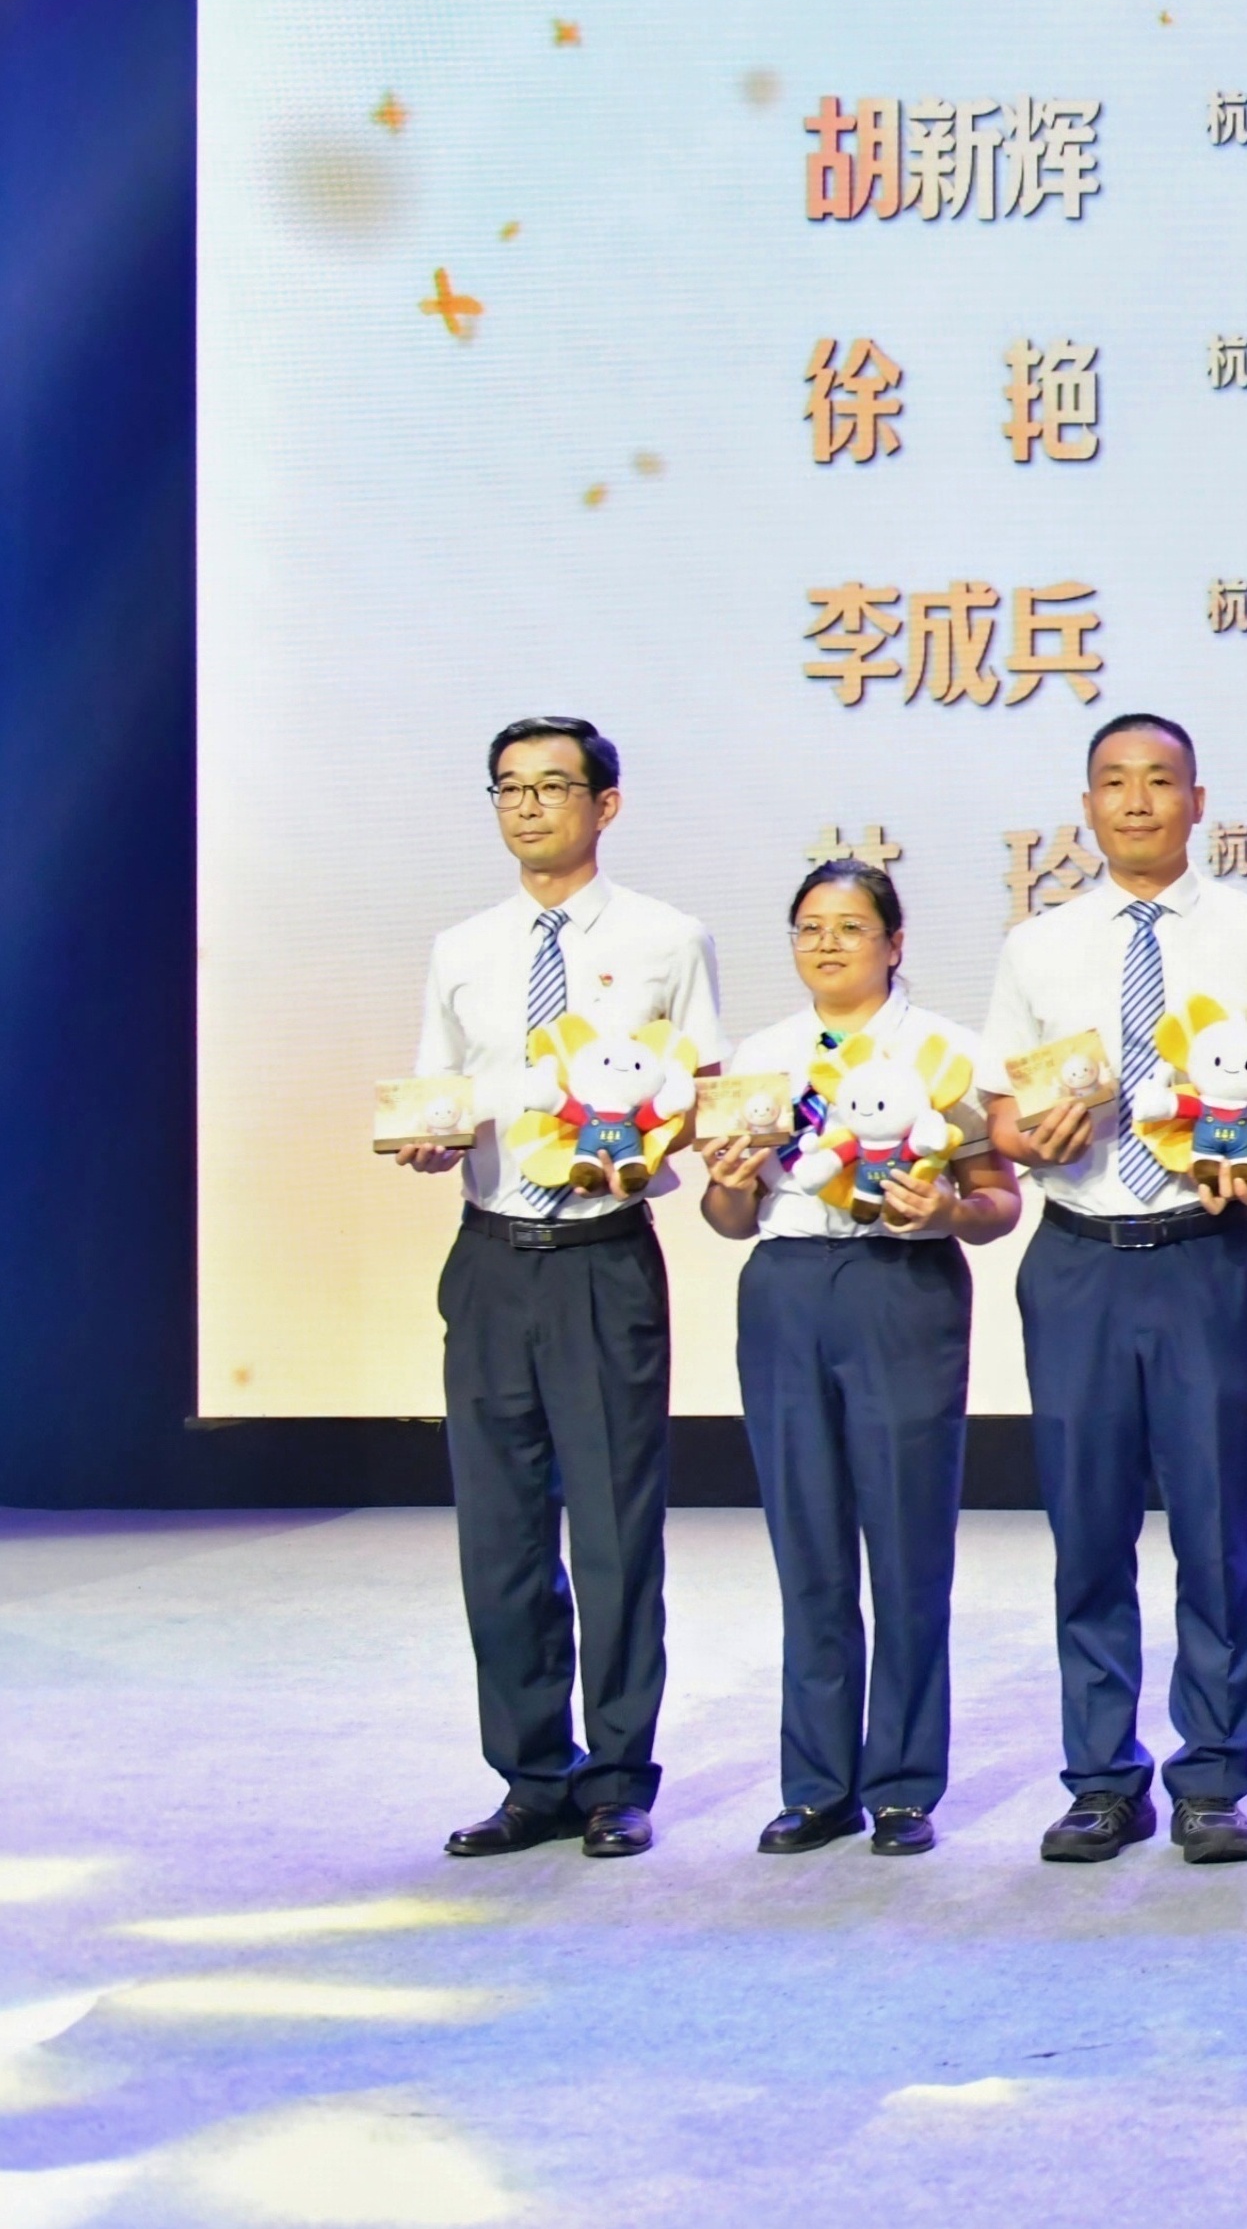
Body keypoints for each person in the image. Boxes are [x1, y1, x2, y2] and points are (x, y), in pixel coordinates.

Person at [981, 713, 1247, 1865]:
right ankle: (1101, 1778)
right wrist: (1028, 1136)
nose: (1136, 801)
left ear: (1197, 800)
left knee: (1216, 1529)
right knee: (1087, 1531)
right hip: (1077, 1256)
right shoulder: (1038, 946)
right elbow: (1000, 1111)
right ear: (1086, 807)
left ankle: (1213, 1774)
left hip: (1203, 1252)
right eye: (1115, 783)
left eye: (1160, 781)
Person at [396, 716, 721, 1860]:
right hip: (491, 1255)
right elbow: (439, 1088)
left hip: (600, 1254)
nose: (528, 806)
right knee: (501, 1535)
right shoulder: (462, 948)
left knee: (617, 1529)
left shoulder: (667, 939)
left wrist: (651, 1142)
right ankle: (533, 1773)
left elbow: (704, 1087)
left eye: (551, 785)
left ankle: (619, 1776)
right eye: (509, 788)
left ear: (605, 803)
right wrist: (430, 1138)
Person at [698, 860, 1020, 1858]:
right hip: (787, 1286)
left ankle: (904, 1785)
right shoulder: (762, 1056)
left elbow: (999, 1200)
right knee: (807, 1544)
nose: (826, 944)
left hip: (901, 1287)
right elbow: (728, 1217)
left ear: (895, 941)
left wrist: (951, 1208)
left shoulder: (947, 1053)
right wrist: (729, 1179)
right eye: (809, 927)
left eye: (848, 926)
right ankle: (816, 1785)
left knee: (908, 1542)